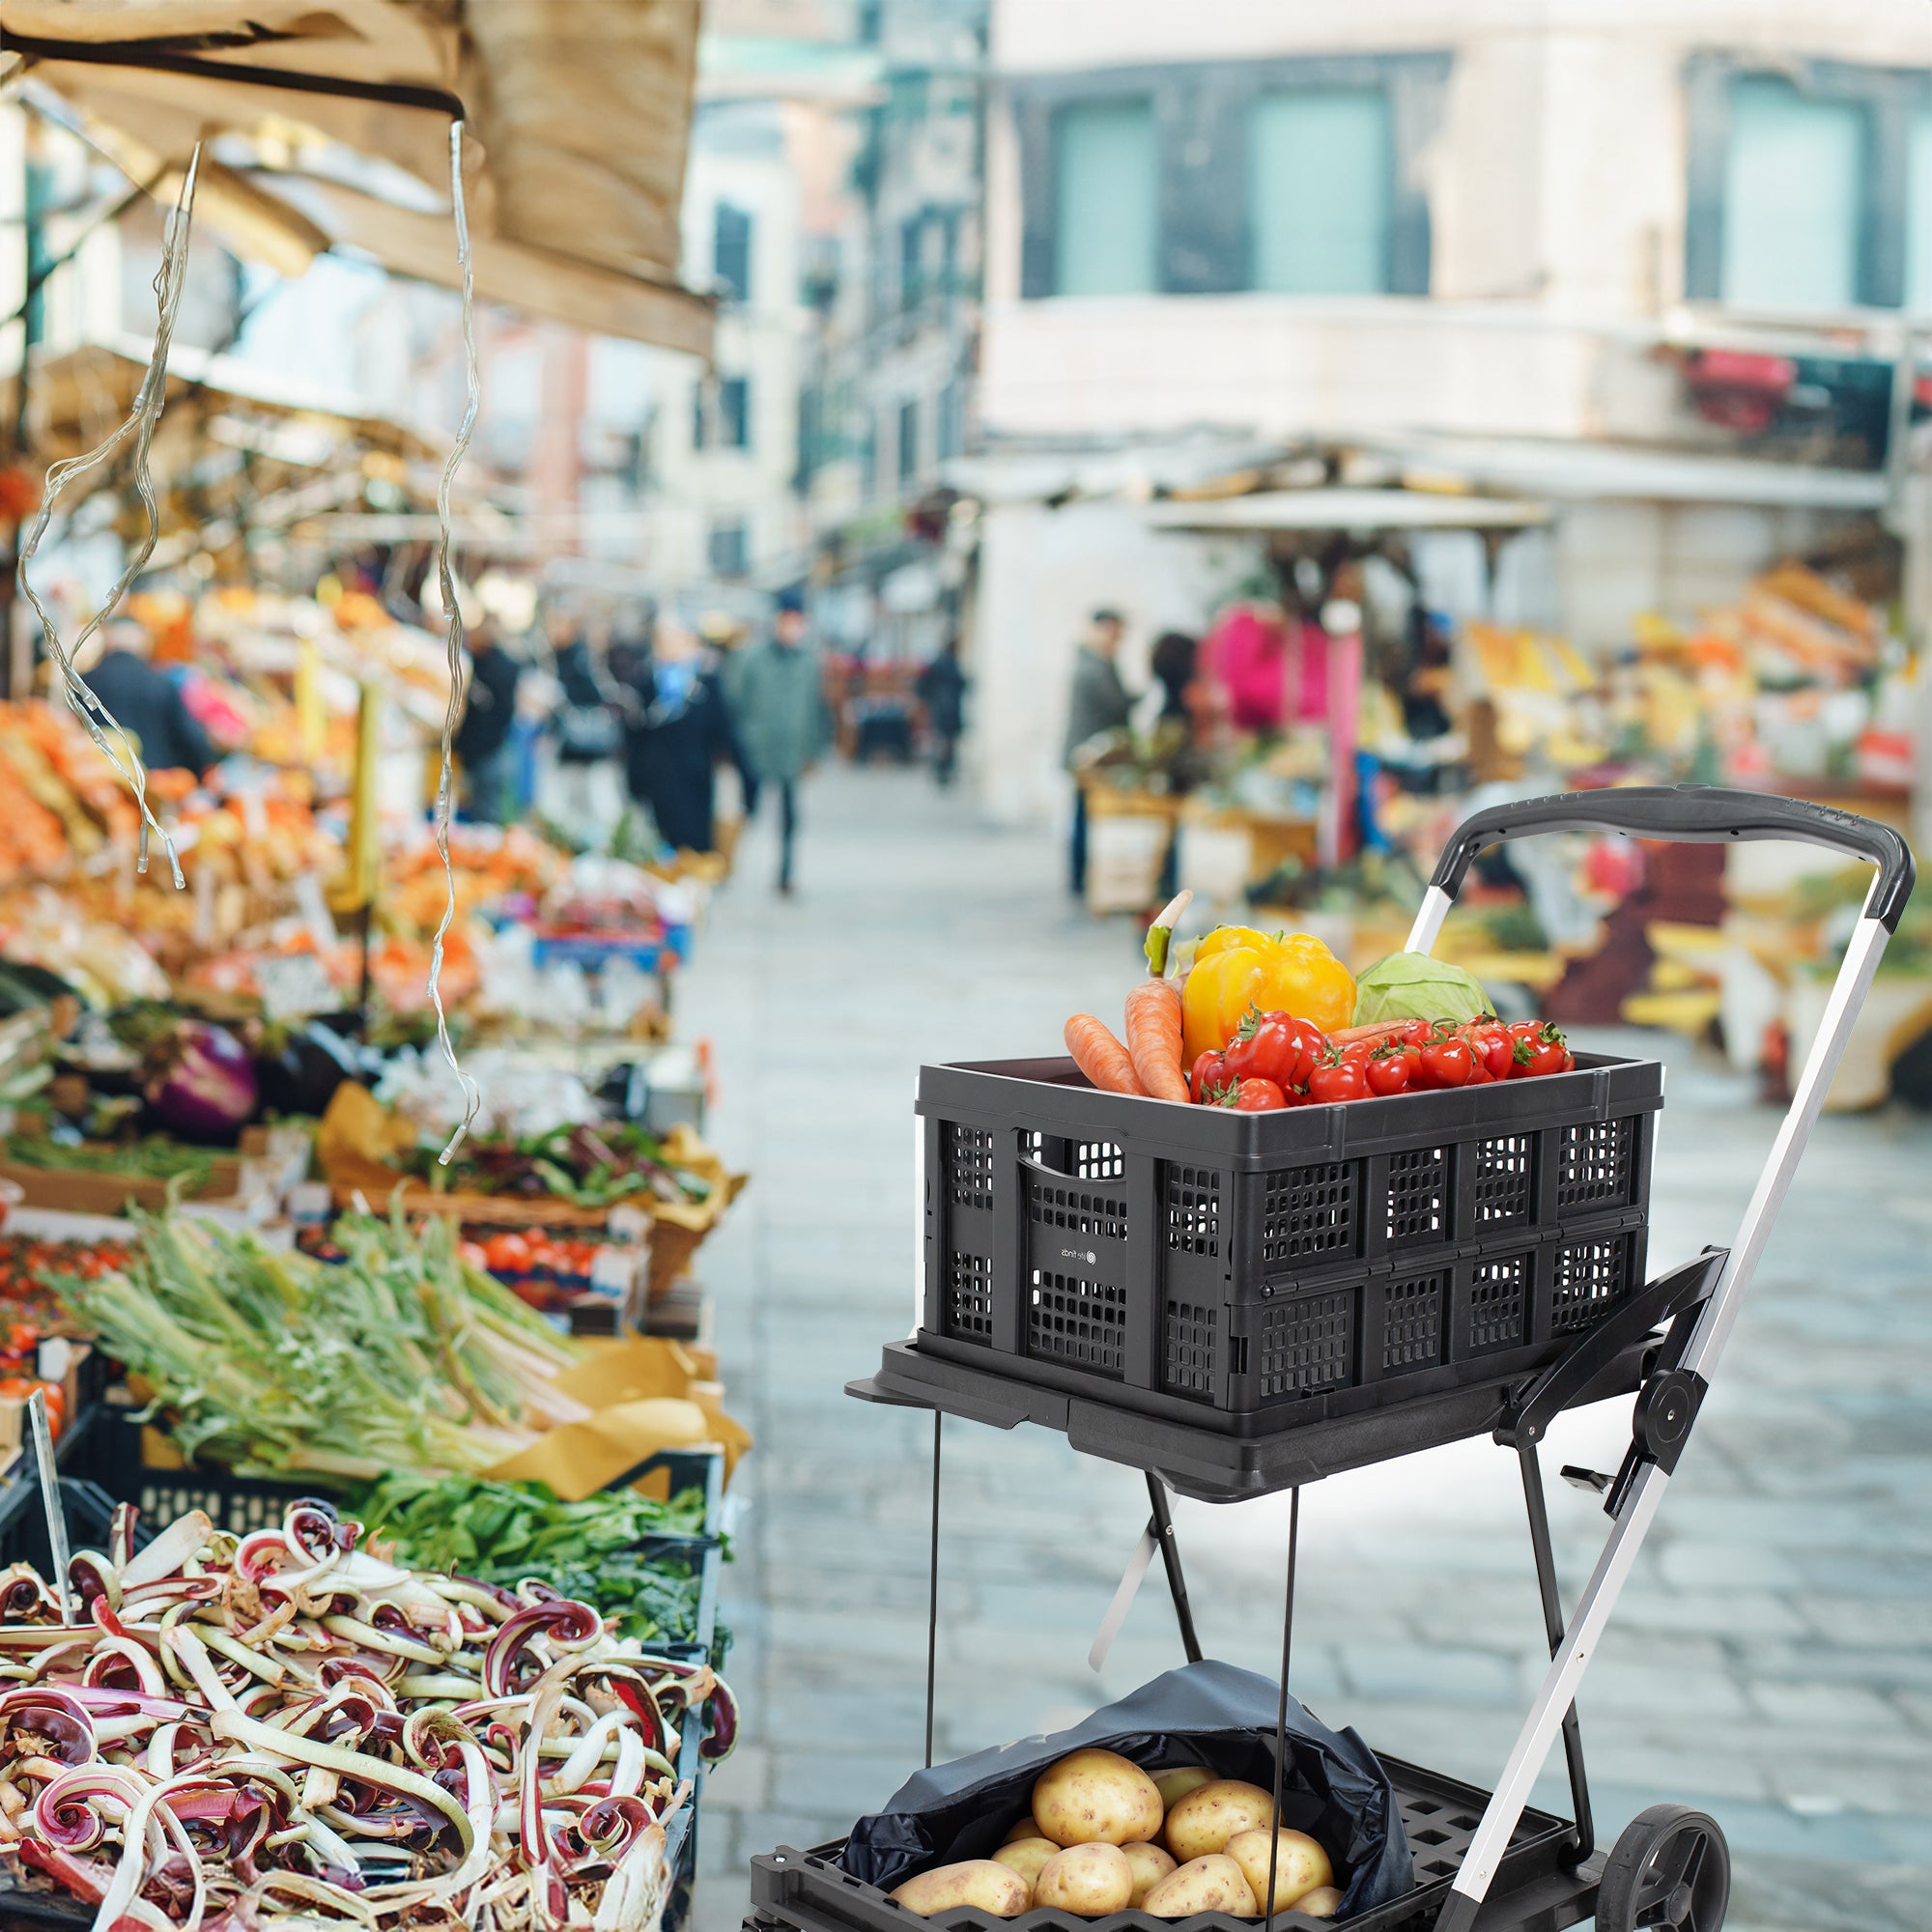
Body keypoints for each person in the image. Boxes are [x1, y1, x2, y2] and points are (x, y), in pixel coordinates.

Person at [730, 592, 833, 895]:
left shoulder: (808, 662)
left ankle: (785, 872)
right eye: (787, 622)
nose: (791, 628)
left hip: (792, 750)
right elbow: (736, 702)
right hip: (756, 747)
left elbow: (816, 709)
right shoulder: (751, 658)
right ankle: (730, 864)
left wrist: (813, 753)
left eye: (797, 623)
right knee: (747, 808)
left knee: (790, 814)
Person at [622, 618, 747, 855]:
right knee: (657, 853)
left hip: (694, 782)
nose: (671, 649)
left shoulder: (705, 684)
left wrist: (746, 779)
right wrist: (634, 783)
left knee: (694, 852)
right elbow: (633, 736)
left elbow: (725, 732)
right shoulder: (644, 684)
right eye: (665, 642)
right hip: (655, 784)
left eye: (678, 642)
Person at [81, 617, 215, 777]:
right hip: (157, 781)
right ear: (144, 644)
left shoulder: (84, 683)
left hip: (101, 781)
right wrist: (199, 772)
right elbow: (191, 739)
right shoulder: (161, 683)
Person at [1062, 608, 1133, 897]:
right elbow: (1115, 703)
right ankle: (1079, 878)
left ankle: (1081, 877)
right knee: (1084, 814)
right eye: (1114, 631)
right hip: (1089, 753)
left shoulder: (1096, 660)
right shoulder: (1094, 663)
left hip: (1090, 751)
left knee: (1084, 813)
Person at [549, 606, 621, 830]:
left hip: (585, 740)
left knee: (595, 798)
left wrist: (562, 696)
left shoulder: (579, 657)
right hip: (570, 741)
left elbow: (592, 693)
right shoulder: (557, 655)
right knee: (572, 798)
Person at [453, 616, 523, 823]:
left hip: (485, 751)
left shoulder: (481, 667)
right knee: (483, 809)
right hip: (493, 748)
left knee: (483, 811)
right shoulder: (505, 668)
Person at [915, 636, 967, 786]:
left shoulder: (940, 662)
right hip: (947, 707)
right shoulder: (949, 663)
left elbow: (923, 685)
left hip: (941, 706)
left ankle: (940, 768)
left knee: (941, 738)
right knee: (946, 739)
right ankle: (942, 768)